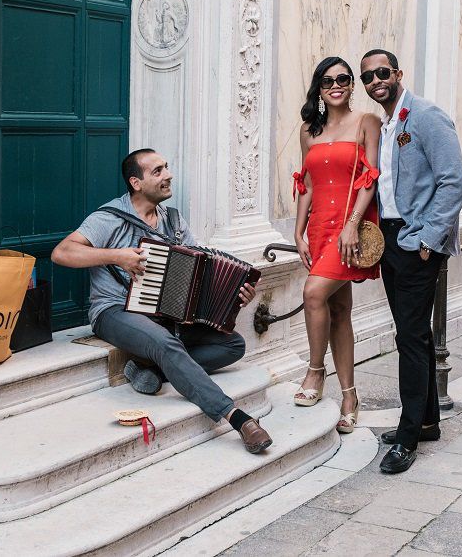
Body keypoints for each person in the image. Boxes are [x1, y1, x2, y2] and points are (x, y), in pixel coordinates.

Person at [51, 149, 272, 454]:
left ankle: (154, 372)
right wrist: (116, 255)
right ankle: (236, 417)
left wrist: (235, 295)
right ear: (136, 182)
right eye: (157, 171)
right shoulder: (108, 218)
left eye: (166, 167)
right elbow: (61, 253)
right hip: (114, 310)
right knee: (167, 344)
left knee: (233, 344)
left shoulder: (174, 221)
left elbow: (204, 272)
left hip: (163, 316)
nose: (168, 175)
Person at [360, 48, 462, 474]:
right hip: (391, 239)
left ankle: (406, 437)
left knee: (408, 338)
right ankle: (426, 422)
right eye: (368, 77)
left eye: (382, 72)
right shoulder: (387, 125)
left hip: (414, 240)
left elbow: (453, 182)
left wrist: (427, 237)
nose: (375, 81)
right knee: (415, 333)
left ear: (398, 73)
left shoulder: (425, 115)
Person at [291, 56, 382, 434]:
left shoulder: (367, 122)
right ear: (319, 86)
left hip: (350, 229)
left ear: (351, 84)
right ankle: (350, 395)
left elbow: (371, 177)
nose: (336, 85)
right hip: (318, 228)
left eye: (344, 79)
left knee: (313, 293)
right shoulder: (307, 131)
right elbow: (307, 183)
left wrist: (351, 226)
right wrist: (298, 232)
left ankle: (315, 372)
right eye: (328, 80)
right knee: (339, 310)